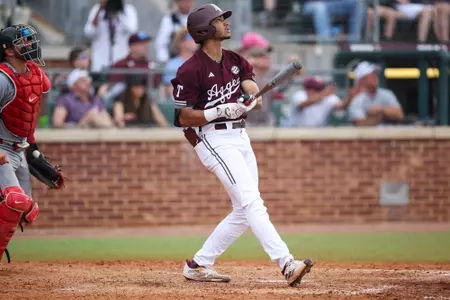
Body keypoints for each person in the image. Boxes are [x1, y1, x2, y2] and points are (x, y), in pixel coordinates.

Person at [171, 4, 313, 286]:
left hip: (239, 136)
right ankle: (286, 264)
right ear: (204, 29)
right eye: (219, 19)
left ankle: (199, 264)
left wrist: (250, 100)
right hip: (211, 138)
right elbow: (182, 116)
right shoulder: (190, 69)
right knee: (252, 202)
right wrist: (220, 110)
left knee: (243, 210)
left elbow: (253, 92)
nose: (226, 22)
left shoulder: (236, 60)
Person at [0, 24, 65, 263]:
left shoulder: (36, 74)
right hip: (1, 148)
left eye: (30, 40)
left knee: (27, 213)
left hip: (20, 148)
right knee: (15, 201)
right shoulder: (3, 78)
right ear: (8, 50)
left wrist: (33, 148)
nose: (29, 45)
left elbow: (29, 113)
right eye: (22, 42)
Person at [83, 0, 138, 73]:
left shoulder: (128, 9)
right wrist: (100, 10)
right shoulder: (97, 9)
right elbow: (89, 32)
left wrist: (119, 13)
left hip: (121, 59)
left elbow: (132, 29)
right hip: (101, 60)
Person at [348, 61, 404, 126]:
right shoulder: (356, 98)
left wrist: (380, 109)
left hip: (389, 135)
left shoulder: (387, 93)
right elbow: (360, 123)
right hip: (367, 135)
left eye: (375, 74)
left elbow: (400, 115)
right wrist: (382, 116)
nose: (375, 76)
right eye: (372, 74)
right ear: (362, 79)